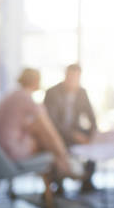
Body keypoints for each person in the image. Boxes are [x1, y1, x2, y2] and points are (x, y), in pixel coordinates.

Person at [0, 68, 82, 179]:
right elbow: (47, 128)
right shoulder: (26, 98)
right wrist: (61, 151)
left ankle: (63, 165)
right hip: (8, 153)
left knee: (36, 130)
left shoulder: (11, 95)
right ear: (36, 81)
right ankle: (66, 164)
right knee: (43, 135)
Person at [44, 63, 97, 193]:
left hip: (75, 130)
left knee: (92, 144)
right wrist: (73, 135)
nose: (73, 80)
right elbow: (52, 122)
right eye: (70, 77)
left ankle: (87, 180)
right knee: (57, 146)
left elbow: (91, 115)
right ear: (66, 76)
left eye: (76, 77)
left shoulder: (82, 92)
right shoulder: (52, 92)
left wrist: (93, 133)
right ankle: (58, 183)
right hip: (56, 132)